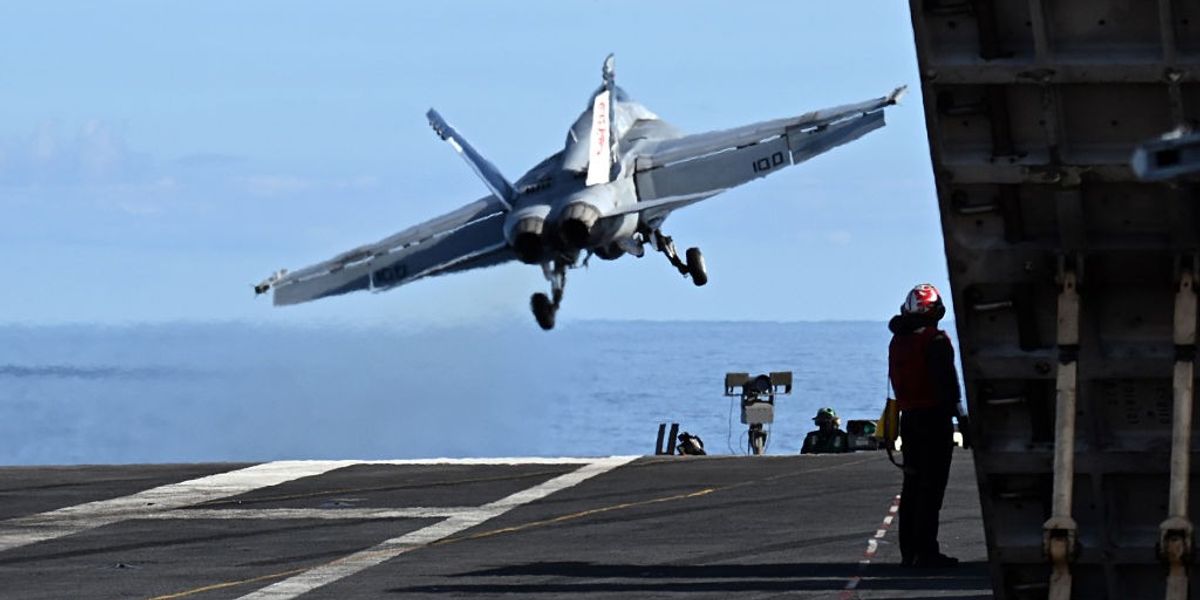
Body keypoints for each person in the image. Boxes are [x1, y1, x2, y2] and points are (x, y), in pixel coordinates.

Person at [888, 283, 971, 568]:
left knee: (912, 487)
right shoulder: (935, 341)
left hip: (909, 421)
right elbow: (948, 386)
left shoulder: (898, 341)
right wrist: (962, 419)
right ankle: (927, 552)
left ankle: (908, 552)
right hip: (934, 421)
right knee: (931, 489)